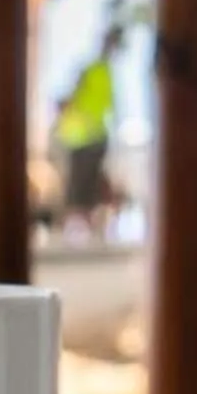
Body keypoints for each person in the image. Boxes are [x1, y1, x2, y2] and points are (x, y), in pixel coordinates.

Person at [51, 24, 123, 240]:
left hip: (94, 135)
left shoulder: (104, 72)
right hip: (80, 137)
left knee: (89, 182)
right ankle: (74, 225)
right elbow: (72, 97)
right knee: (78, 183)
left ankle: (86, 225)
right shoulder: (92, 70)